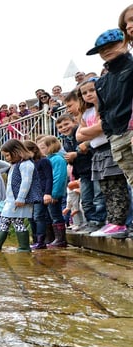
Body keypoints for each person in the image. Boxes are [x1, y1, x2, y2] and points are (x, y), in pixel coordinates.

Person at [76, 76, 130, 238]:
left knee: (117, 188)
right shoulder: (86, 113)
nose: (88, 94)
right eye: (84, 92)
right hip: (97, 153)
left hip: (111, 147)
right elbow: (79, 136)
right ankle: (112, 221)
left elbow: (103, 126)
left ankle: (121, 222)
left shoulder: (108, 107)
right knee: (106, 190)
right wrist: (91, 131)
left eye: (92, 90)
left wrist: (89, 131)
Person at [0, 139, 41, 252]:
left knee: (17, 221)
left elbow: (26, 182)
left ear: (17, 151)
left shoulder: (26, 165)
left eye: (8, 155)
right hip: (11, 200)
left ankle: (24, 246)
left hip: (19, 199)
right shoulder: (15, 164)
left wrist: (21, 198)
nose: (7, 158)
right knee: (4, 220)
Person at [56, 110, 105, 233]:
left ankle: (99, 221)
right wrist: (70, 160)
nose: (64, 128)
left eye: (66, 124)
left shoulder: (80, 134)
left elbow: (89, 148)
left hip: (93, 169)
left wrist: (75, 154)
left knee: (98, 197)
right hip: (82, 173)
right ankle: (90, 222)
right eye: (60, 127)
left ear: (74, 122)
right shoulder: (66, 141)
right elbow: (72, 158)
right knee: (86, 199)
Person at [37, 135, 69, 247]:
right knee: (49, 216)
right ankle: (51, 238)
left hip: (54, 194)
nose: (40, 150)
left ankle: (60, 239)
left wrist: (54, 194)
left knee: (56, 215)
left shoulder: (57, 159)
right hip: (48, 194)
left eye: (42, 148)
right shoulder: (48, 159)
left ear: (50, 146)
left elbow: (58, 178)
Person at [23, 139, 52, 250]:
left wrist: (47, 193)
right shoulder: (28, 164)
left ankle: (41, 241)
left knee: (39, 216)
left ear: (34, 150)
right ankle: (35, 239)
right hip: (31, 194)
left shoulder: (44, 161)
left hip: (41, 193)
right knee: (31, 218)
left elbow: (49, 178)